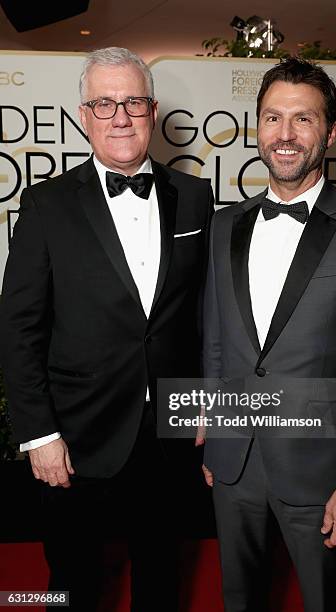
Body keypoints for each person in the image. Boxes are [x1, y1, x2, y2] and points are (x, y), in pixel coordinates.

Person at [0, 47, 213, 611]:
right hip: (76, 436)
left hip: (168, 434)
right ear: (83, 114)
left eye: (132, 102)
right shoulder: (45, 204)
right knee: (71, 584)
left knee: (161, 576)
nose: (119, 116)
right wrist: (39, 435)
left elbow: (201, 314)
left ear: (152, 109)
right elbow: (18, 326)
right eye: (104, 103)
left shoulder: (195, 197)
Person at [201, 58, 336, 612]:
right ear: (257, 127)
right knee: (238, 599)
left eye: (303, 119)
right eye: (272, 118)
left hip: (323, 474)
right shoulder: (225, 225)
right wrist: (215, 435)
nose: (285, 135)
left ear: (331, 131)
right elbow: (218, 338)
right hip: (234, 465)